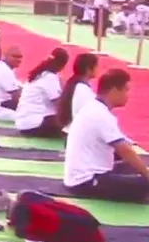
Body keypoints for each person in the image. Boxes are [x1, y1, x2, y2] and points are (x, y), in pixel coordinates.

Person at [64, 69, 149, 202]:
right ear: (114, 90)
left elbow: (125, 147)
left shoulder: (95, 108)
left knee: (133, 166)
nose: (128, 95)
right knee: (143, 183)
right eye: (126, 90)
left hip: (86, 175)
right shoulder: (100, 114)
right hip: (87, 181)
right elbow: (125, 150)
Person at [15, 48, 69, 138]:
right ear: (62, 65)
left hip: (24, 123)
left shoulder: (40, 73)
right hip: (35, 124)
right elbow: (59, 105)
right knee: (69, 122)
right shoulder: (50, 77)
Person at [58, 53, 100, 128]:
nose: (98, 69)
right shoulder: (82, 88)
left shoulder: (74, 82)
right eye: (96, 66)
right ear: (88, 69)